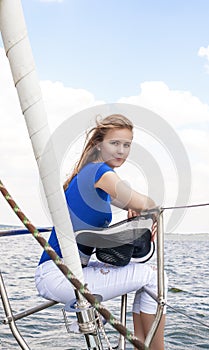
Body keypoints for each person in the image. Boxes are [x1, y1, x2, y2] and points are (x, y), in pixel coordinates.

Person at [35, 114, 167, 350]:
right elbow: (141, 201)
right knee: (154, 279)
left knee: (152, 276)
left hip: (66, 272)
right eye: (115, 143)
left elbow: (129, 201)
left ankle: (144, 346)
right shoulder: (99, 172)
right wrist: (150, 208)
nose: (122, 150)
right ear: (98, 145)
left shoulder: (89, 176)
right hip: (60, 275)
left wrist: (134, 207)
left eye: (127, 145)